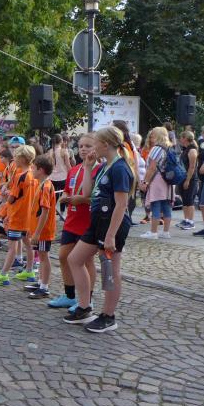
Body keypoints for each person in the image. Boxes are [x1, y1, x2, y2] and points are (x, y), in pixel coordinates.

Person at [65, 126, 135, 333]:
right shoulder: (105, 166)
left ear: (105, 144)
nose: (92, 147)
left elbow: (121, 205)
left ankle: (108, 316)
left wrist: (111, 235)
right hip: (97, 222)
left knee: (110, 271)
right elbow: (88, 192)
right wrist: (88, 167)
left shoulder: (120, 168)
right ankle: (84, 308)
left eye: (94, 143)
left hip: (112, 225)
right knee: (74, 259)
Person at [48, 134, 99, 310]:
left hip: (88, 222)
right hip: (72, 220)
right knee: (63, 257)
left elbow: (98, 199)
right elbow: (68, 190)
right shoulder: (74, 169)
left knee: (86, 261)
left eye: (88, 146)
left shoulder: (99, 170)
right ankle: (69, 296)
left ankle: (87, 299)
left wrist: (82, 200)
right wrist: (65, 197)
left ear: (96, 148)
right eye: (81, 146)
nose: (83, 149)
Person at [0, 145, 37, 286]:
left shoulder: (21, 176)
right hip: (28, 217)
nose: (14, 159)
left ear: (22, 159)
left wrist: (0, 214)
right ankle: (29, 271)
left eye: (16, 156)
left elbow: (12, 199)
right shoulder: (33, 175)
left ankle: (3, 275)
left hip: (17, 216)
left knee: (12, 247)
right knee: (28, 244)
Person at [25, 155, 56, 299]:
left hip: (43, 231)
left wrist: (37, 233)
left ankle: (44, 286)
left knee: (43, 256)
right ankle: (40, 282)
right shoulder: (41, 184)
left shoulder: (46, 186)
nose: (31, 170)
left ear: (41, 170)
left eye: (33, 168)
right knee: (42, 255)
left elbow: (45, 211)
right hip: (39, 230)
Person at [140, 127, 174, 239]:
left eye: (153, 135)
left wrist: (145, 182)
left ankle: (153, 232)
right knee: (166, 206)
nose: (151, 137)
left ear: (158, 135)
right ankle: (166, 232)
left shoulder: (157, 148)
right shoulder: (170, 147)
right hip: (168, 180)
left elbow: (152, 168)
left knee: (155, 204)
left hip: (157, 179)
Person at [176, 131, 199, 230]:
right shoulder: (185, 149)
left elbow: (192, 167)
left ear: (185, 138)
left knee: (189, 201)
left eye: (181, 137)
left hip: (190, 179)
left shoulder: (192, 150)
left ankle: (191, 222)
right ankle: (186, 220)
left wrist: (188, 180)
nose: (180, 139)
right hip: (182, 178)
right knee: (185, 201)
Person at [49, 134, 72, 215]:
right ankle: (62, 213)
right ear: (61, 141)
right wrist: (72, 173)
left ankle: (52, 211)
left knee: (54, 195)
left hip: (52, 177)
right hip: (63, 177)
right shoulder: (64, 151)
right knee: (63, 195)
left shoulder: (50, 151)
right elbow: (68, 165)